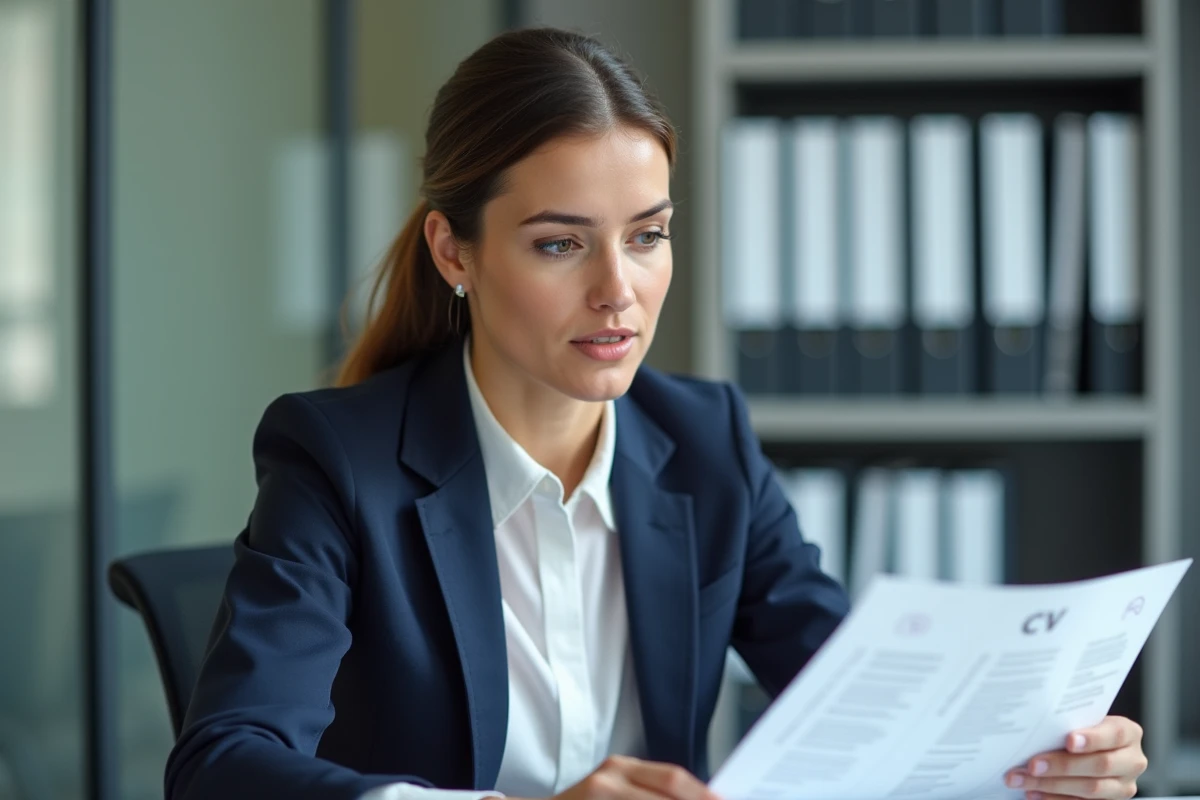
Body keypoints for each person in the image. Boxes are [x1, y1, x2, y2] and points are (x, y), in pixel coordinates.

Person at [164, 26, 1149, 800]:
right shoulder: (340, 459)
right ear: (453, 251)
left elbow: (860, 694)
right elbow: (224, 764)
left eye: (648, 236)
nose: (619, 292)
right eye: (561, 244)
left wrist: (1035, 760)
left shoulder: (704, 440)